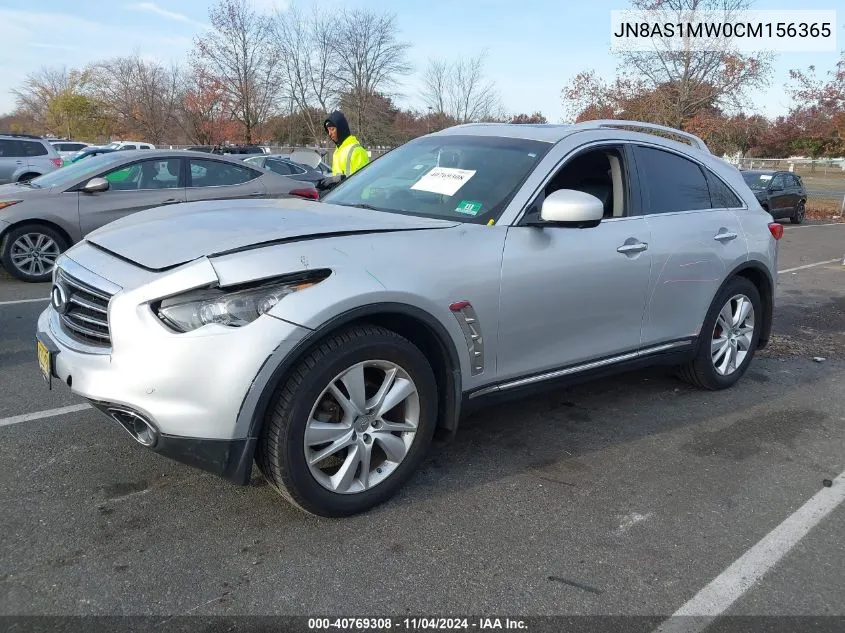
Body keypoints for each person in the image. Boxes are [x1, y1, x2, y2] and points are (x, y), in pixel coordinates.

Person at [324, 111, 369, 177]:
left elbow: (364, 179)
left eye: (332, 129)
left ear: (341, 129)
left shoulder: (357, 151)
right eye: (328, 130)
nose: (330, 133)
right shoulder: (337, 151)